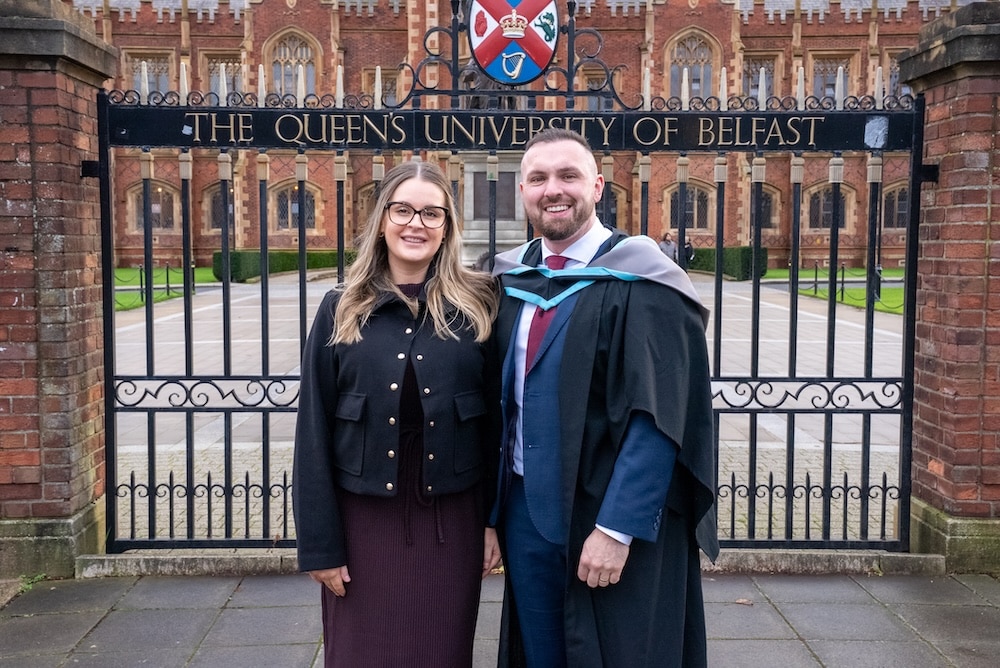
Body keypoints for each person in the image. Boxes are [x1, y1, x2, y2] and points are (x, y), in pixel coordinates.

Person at [490, 128, 719, 668]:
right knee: (541, 651)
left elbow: (660, 417)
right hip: (527, 513)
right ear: (522, 190)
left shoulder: (644, 279)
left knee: (622, 652)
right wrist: (489, 515)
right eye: (540, 178)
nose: (554, 190)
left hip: (611, 516)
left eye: (568, 176)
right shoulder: (505, 278)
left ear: (596, 187)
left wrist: (618, 528)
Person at [293, 160, 502, 667]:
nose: (416, 224)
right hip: (362, 521)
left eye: (432, 213)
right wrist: (320, 545)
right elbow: (314, 432)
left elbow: (499, 425)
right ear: (382, 220)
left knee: (442, 651)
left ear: (448, 227)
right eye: (403, 209)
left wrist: (493, 522)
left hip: (451, 522)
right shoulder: (340, 307)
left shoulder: (480, 305)